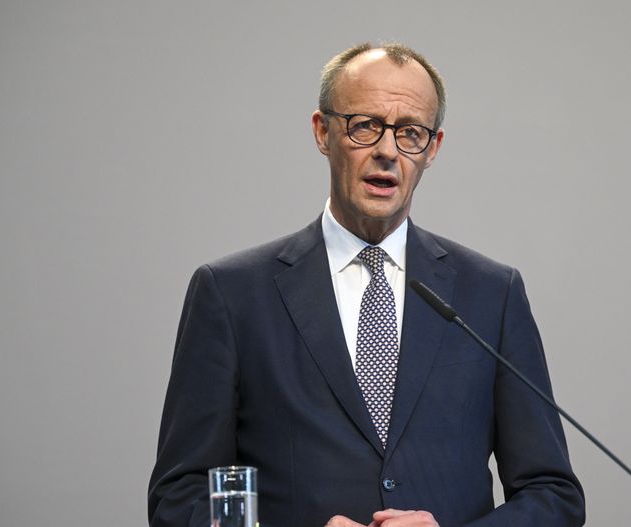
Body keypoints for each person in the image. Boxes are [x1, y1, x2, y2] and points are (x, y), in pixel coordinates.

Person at [148, 42, 585, 527]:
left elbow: (553, 496)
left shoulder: (491, 294)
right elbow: (178, 498)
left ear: (433, 148)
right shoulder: (231, 294)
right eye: (365, 126)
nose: (387, 151)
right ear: (323, 132)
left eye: (411, 132)